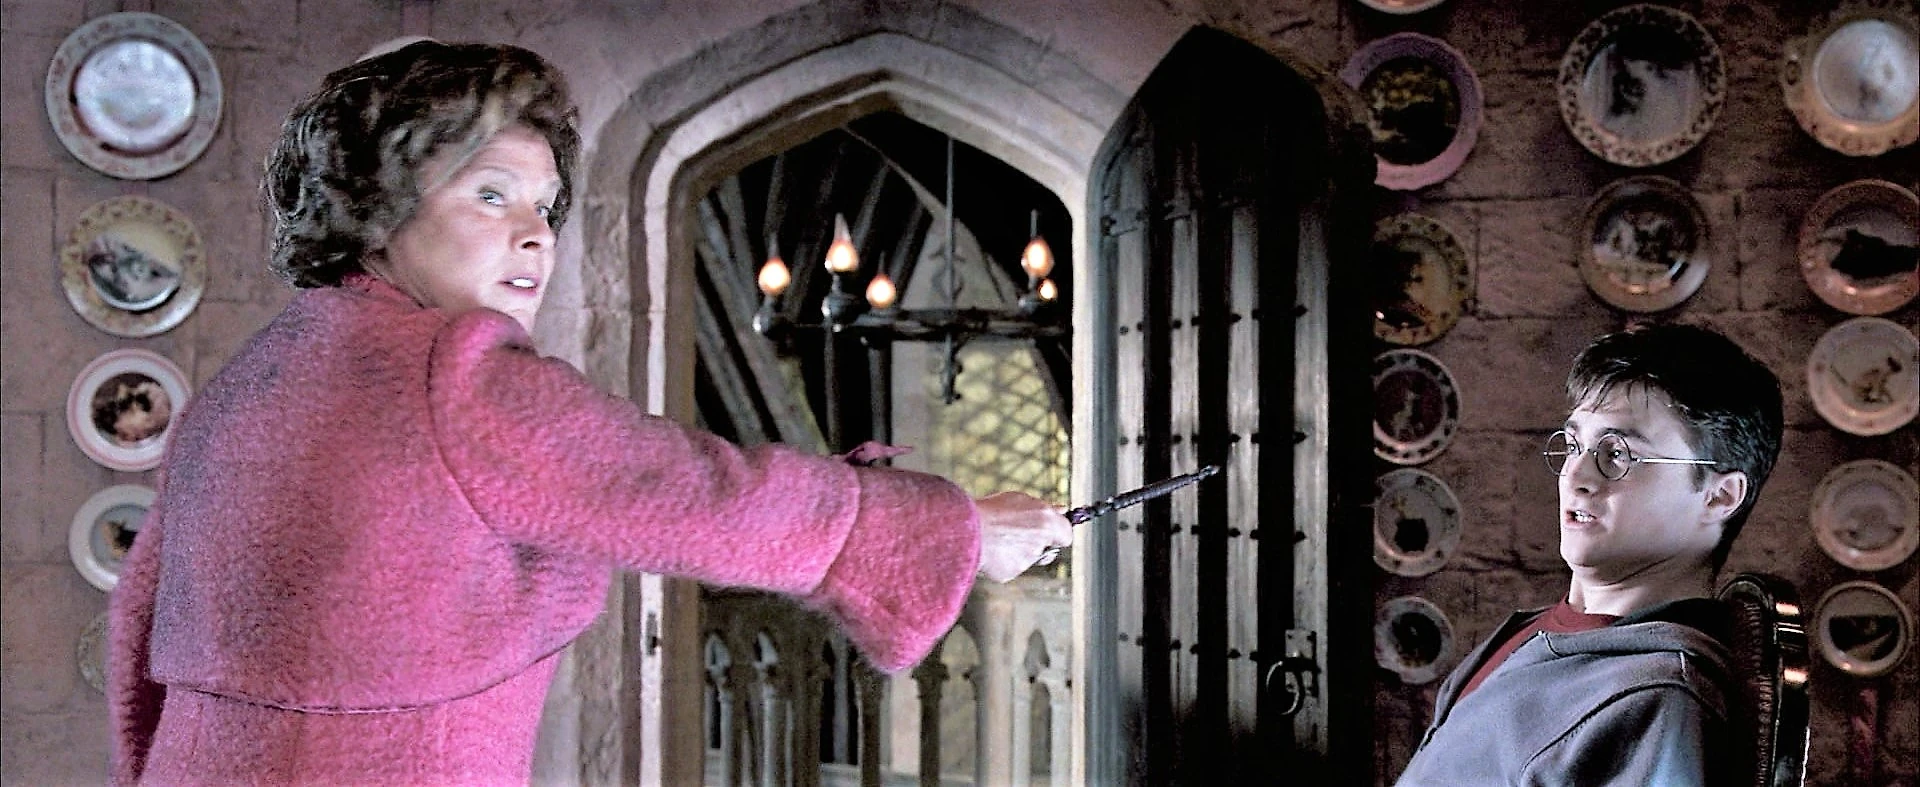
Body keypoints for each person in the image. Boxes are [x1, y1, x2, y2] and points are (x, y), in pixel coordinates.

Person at [107, 41, 1072, 786]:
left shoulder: (250, 380)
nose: (535, 234)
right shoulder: (454, 370)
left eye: (548, 206)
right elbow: (691, 493)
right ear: (379, 207)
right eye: (491, 194)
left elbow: (136, 645)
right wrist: (946, 526)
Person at [1394, 322, 1783, 786]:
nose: (1576, 476)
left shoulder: (1659, 697)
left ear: (1719, 497)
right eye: (1575, 444)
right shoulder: (1534, 628)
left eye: (1618, 454)